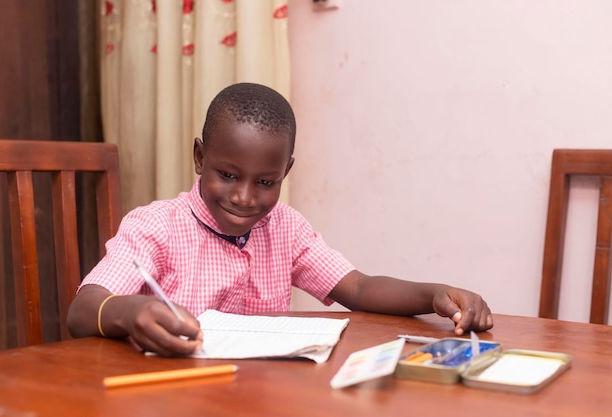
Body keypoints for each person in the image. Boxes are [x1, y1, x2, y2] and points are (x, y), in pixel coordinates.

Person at [67, 82, 493, 357]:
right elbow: (82, 311)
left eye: (266, 182)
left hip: (258, 397)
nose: (244, 197)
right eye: (228, 175)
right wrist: (130, 311)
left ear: (285, 172)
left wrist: (435, 294)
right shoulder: (155, 227)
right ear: (200, 158)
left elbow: (360, 288)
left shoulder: (286, 229)